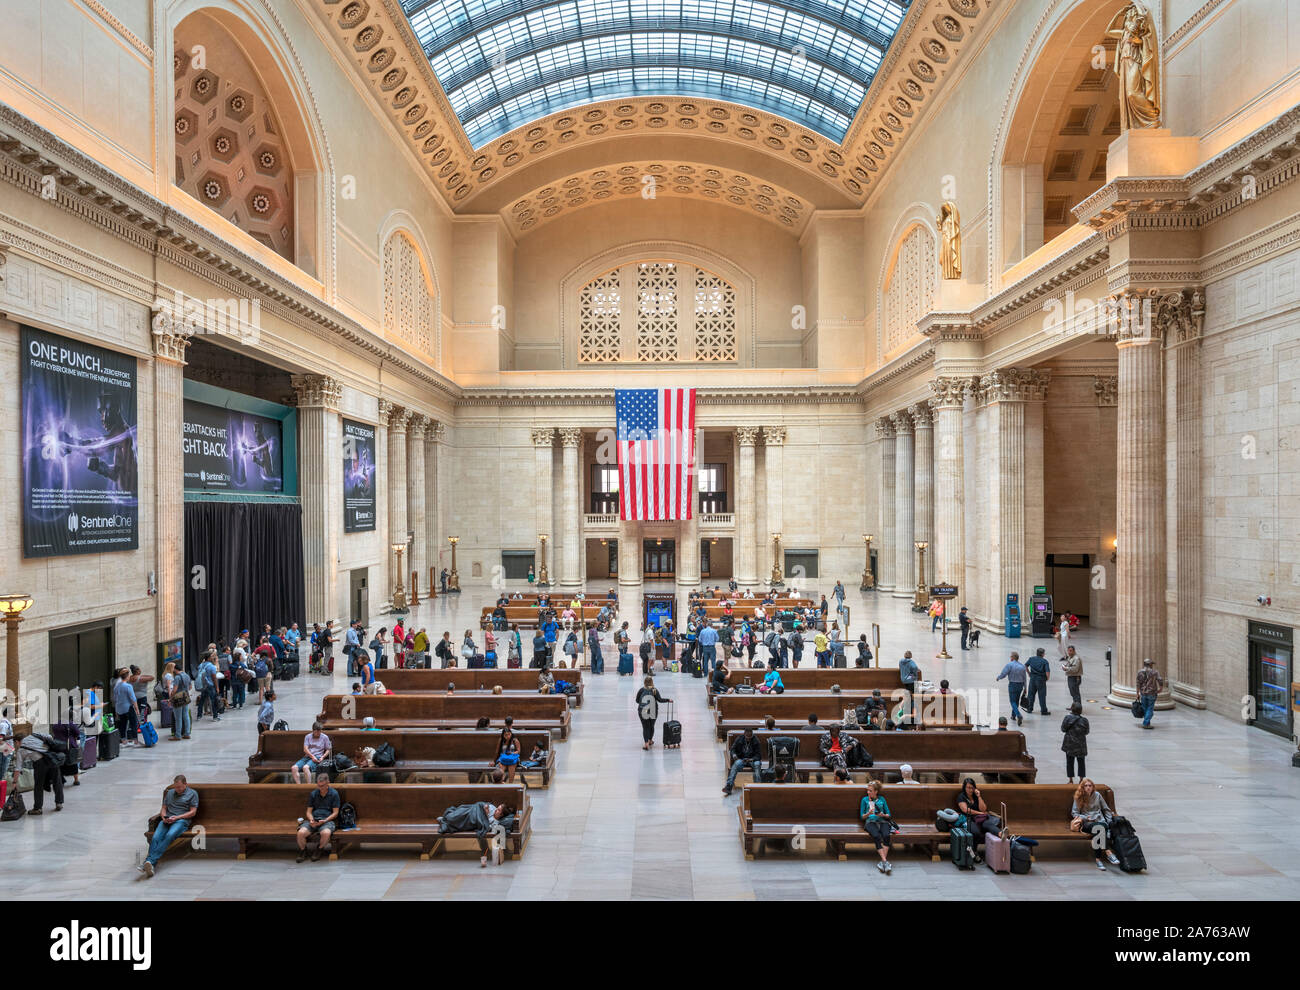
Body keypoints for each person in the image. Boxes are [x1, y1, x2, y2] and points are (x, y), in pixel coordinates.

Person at [139, 775, 198, 877]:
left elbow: (193, 812)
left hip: (181, 821)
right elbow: (163, 808)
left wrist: (177, 817)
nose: (177, 789)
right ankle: (150, 864)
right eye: (176, 787)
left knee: (170, 835)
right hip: (167, 820)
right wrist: (164, 817)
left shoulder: (192, 794)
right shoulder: (170, 793)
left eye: (179, 787)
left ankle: (149, 862)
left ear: (185, 784)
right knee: (156, 837)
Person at [1071, 778, 1121, 870]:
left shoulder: (1097, 795)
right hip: (1087, 823)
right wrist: (1085, 817)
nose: (1088, 787)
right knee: (1099, 830)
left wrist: (1109, 822)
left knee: (1099, 829)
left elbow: (1106, 810)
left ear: (1093, 787)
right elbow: (1074, 813)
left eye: (1090, 785)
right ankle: (1108, 852)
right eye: (1086, 786)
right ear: (1082, 787)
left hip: (1100, 821)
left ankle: (1098, 860)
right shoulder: (1079, 797)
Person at [297, 773, 341, 863]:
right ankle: (303, 851)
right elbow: (309, 812)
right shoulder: (313, 794)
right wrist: (311, 819)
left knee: (326, 833)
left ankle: (319, 849)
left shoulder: (334, 794)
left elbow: (335, 813)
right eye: (318, 785)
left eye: (322, 786)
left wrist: (325, 820)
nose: (320, 788)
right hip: (314, 819)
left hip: (327, 820)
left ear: (328, 782)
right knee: (301, 833)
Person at [18, 731, 65, 814]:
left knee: (38, 785)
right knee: (57, 780)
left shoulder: (21, 748)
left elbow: (18, 767)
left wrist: (15, 781)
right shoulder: (34, 734)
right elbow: (50, 737)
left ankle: (38, 808)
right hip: (51, 757)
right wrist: (44, 747)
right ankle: (59, 803)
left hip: (39, 763)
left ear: (17, 741)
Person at [955, 777, 997, 863]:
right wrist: (980, 813)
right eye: (968, 787)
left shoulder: (976, 796)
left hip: (979, 819)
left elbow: (983, 809)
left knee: (989, 825)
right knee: (976, 832)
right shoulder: (961, 796)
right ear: (964, 787)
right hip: (967, 819)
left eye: (972, 787)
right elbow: (965, 810)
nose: (970, 790)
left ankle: (1002, 834)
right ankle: (974, 852)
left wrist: (979, 796)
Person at [860, 780, 894, 874]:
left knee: (886, 835)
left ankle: (883, 862)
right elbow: (862, 816)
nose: (868, 792)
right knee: (876, 836)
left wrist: (883, 815)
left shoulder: (882, 799)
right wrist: (868, 813)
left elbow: (889, 815)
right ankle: (885, 861)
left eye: (870, 790)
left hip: (883, 821)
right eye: (868, 790)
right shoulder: (865, 800)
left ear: (876, 791)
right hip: (870, 822)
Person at [722, 727, 763, 795]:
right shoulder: (739, 739)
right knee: (736, 764)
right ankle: (729, 786)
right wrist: (734, 755)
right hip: (742, 759)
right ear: (744, 734)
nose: (748, 738)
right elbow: (732, 749)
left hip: (752, 760)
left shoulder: (756, 740)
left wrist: (751, 759)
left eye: (750, 737)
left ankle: (757, 786)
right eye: (747, 737)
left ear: (752, 735)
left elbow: (759, 756)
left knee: (757, 764)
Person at [635, 676, 672, 750]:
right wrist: (668, 700)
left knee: (645, 727)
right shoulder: (654, 690)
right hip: (652, 710)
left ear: (644, 682)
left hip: (643, 710)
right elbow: (660, 700)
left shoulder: (641, 690)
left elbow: (637, 700)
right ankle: (650, 740)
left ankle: (646, 744)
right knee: (651, 726)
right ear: (652, 682)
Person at [1060, 702, 1090, 782]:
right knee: (1081, 762)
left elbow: (1063, 729)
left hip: (1069, 744)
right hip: (1081, 745)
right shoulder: (1084, 720)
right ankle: (1081, 779)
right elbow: (1087, 732)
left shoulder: (1067, 718)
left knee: (1069, 762)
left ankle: (1070, 780)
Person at [996, 651, 1027, 725]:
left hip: (1012, 685)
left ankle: (1018, 715)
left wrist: (998, 678)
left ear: (1013, 657)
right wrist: (1025, 688)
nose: (1010, 658)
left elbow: (1004, 673)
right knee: (1016, 701)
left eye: (1010, 656)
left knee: (1012, 701)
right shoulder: (1022, 666)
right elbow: (1024, 678)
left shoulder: (1009, 665)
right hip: (1020, 685)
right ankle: (1013, 716)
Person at [113, 667, 142, 743]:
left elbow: (115, 699)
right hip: (128, 708)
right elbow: (133, 699)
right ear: (127, 676)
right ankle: (135, 740)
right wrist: (137, 709)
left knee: (123, 724)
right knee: (133, 723)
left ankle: (123, 740)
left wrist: (116, 711)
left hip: (119, 708)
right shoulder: (128, 686)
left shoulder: (116, 687)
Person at [168, 663, 194, 741]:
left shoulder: (177, 677)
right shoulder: (187, 675)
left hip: (178, 698)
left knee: (178, 717)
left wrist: (171, 698)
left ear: (175, 669)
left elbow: (174, 689)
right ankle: (187, 733)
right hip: (185, 696)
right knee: (186, 716)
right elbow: (190, 687)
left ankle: (178, 735)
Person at [1136, 658, 1162, 729]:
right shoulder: (1155, 672)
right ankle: (1146, 723)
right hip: (1152, 692)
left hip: (1143, 692)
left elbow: (1138, 683)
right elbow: (1160, 680)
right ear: (1150, 665)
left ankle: (1147, 722)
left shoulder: (1140, 672)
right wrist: (1161, 688)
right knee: (1150, 708)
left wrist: (1137, 693)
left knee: (1145, 708)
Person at [1025, 647, 1052, 715]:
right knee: (1042, 695)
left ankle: (1029, 708)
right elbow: (1047, 672)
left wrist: (1029, 673)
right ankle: (1043, 711)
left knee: (1031, 694)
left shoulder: (1031, 659)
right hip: (1041, 680)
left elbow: (1025, 665)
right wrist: (1047, 678)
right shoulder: (1045, 661)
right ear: (1042, 654)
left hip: (1032, 678)